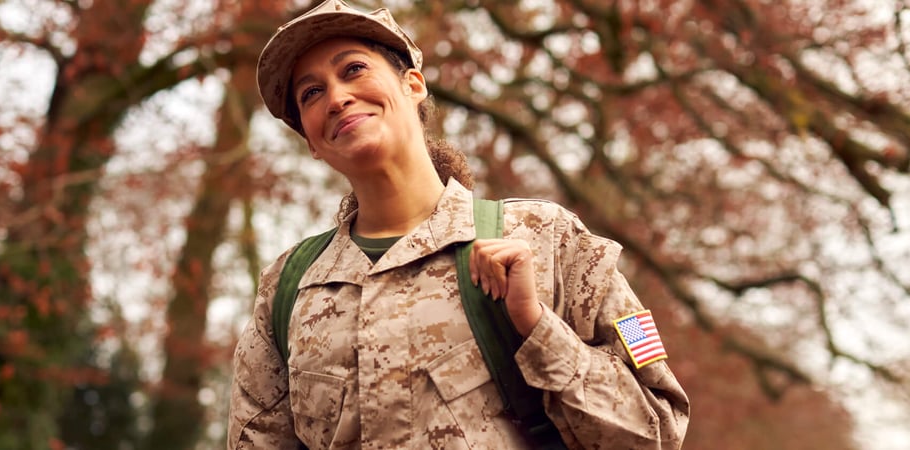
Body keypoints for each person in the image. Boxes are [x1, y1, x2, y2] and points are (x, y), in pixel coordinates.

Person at [227, 0, 690, 448]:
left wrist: (536, 328)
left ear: (413, 85)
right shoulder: (286, 290)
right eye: (312, 92)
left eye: (353, 69)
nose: (338, 97)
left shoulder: (554, 239)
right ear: (310, 141)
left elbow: (659, 428)